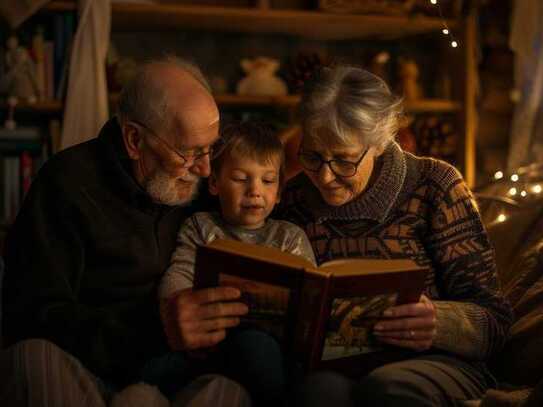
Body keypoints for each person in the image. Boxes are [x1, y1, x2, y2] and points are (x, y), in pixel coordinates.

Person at [1, 57, 251, 406]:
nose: (206, 169)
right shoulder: (66, 184)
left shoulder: (199, 188)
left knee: (231, 392)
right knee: (29, 359)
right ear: (134, 139)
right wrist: (156, 327)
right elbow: (31, 317)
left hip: (178, 382)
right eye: (191, 153)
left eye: (211, 149)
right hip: (89, 376)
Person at [276, 65, 514, 407]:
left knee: (388, 387)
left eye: (343, 161)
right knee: (319, 392)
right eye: (313, 156)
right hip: (334, 365)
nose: (325, 177)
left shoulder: (436, 186)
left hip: (434, 361)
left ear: (379, 142)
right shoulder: (292, 198)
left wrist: (440, 321)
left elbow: (495, 321)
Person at [144, 121, 315, 406]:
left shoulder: (289, 237)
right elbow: (179, 274)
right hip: (209, 339)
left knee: (257, 351)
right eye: (240, 178)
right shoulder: (200, 227)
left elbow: (310, 294)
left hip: (266, 343)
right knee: (155, 368)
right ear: (214, 183)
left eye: (268, 180)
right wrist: (177, 308)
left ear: (280, 190)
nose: (254, 191)